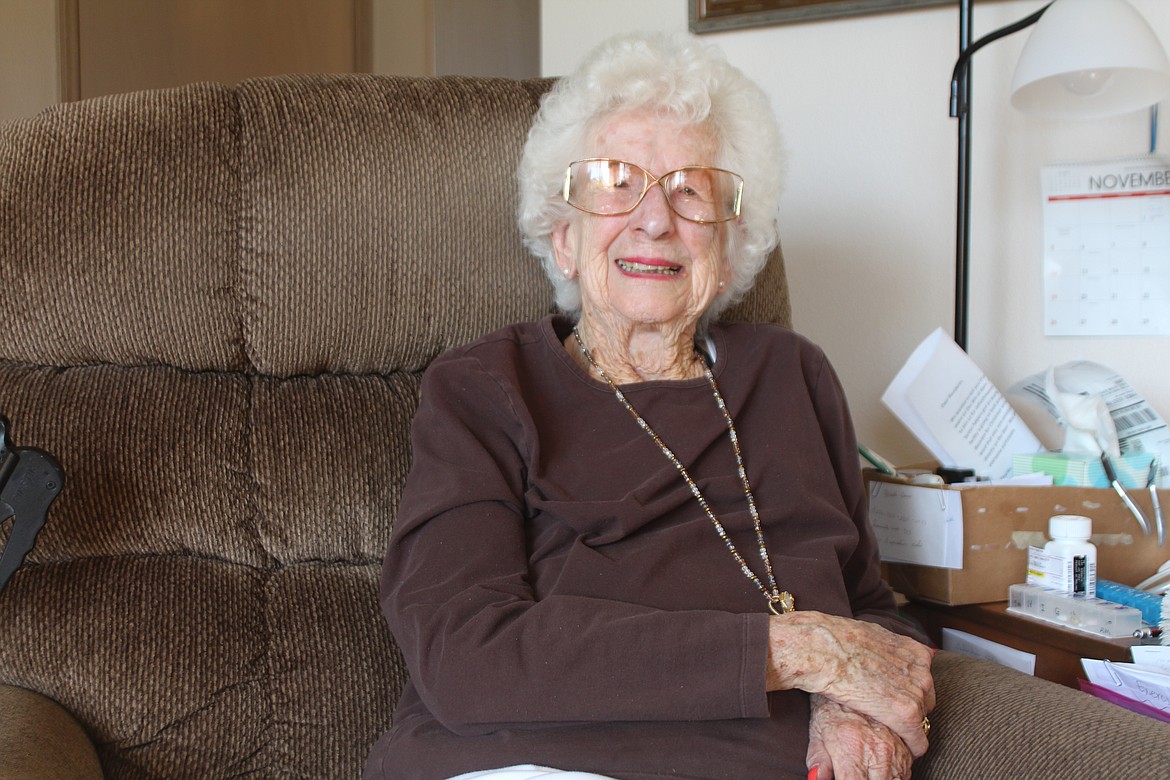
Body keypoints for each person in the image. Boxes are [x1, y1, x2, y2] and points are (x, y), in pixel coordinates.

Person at [364, 32, 935, 780]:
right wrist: (796, 653)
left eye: (692, 188)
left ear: (730, 248)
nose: (656, 218)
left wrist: (856, 704)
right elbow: (463, 654)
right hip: (526, 766)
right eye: (616, 181)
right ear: (563, 235)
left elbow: (869, 608)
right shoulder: (484, 388)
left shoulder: (795, 375)